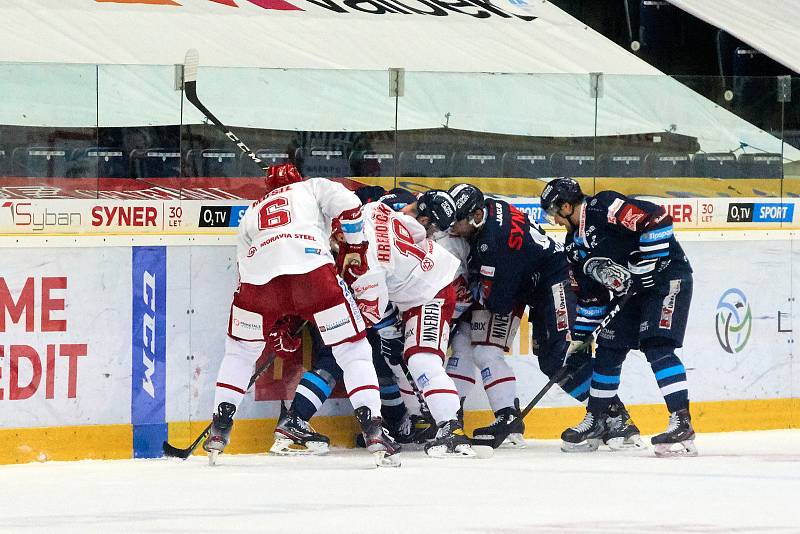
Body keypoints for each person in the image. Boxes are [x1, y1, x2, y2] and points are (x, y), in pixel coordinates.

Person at [202, 163, 401, 467]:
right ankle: (374, 428)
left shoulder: (252, 211)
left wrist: (277, 320)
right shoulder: (313, 186)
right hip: (312, 273)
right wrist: (356, 247)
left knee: (240, 352)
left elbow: (244, 269)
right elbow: (350, 207)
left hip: (258, 285)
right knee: (353, 350)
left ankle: (219, 427)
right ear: (298, 178)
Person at [540, 177, 697, 457]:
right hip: (633, 292)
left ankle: (681, 421)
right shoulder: (574, 247)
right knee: (609, 349)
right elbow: (591, 299)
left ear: (565, 206)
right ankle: (598, 419)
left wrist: (647, 265)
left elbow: (658, 219)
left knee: (657, 345)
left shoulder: (604, 206)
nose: (554, 220)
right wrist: (581, 340)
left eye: (553, 212)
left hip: (667, 279)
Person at [348, 191, 477, 457]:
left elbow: (375, 297)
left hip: (433, 293)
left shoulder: (373, 210)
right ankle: (430, 420)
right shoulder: (376, 226)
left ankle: (451, 428)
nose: (430, 231)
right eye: (431, 225)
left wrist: (387, 331)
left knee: (421, 360)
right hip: (418, 290)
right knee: (402, 360)